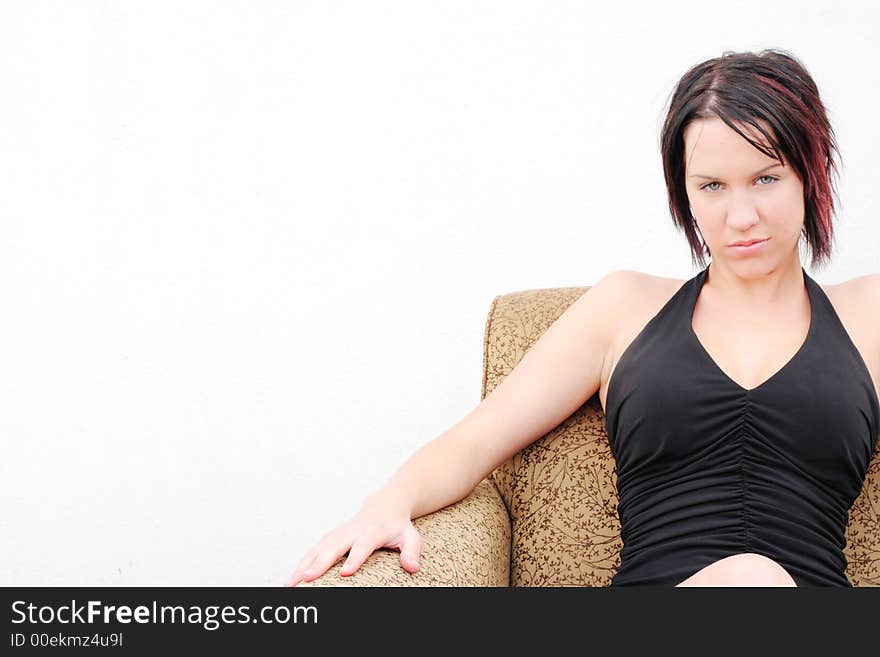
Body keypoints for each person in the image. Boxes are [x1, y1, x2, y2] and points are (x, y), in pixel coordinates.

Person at [284, 48, 880, 588]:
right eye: (713, 186)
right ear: (685, 193)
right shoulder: (623, 306)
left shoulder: (870, 314)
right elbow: (473, 441)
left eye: (766, 178)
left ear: (811, 173)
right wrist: (388, 500)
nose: (741, 215)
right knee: (750, 583)